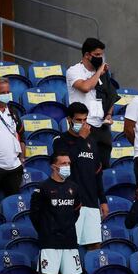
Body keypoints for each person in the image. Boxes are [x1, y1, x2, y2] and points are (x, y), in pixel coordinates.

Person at [52, 102, 108, 252]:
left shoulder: (92, 143)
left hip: (90, 202)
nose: (83, 124)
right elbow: (66, 163)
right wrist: (81, 140)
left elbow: (98, 173)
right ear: (69, 119)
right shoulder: (60, 141)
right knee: (69, 246)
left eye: (85, 120)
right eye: (78, 120)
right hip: (70, 201)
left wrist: (102, 200)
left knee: (95, 245)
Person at [30, 151, 82, 274]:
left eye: (69, 163)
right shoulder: (42, 188)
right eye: (63, 163)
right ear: (53, 166)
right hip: (50, 242)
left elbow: (76, 212)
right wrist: (46, 230)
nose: (67, 166)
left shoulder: (74, 188)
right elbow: (34, 215)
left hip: (69, 240)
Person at [66, 37, 118, 169]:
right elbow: (85, 87)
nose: (100, 58)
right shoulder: (74, 71)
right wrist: (100, 71)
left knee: (103, 166)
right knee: (85, 165)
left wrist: (109, 114)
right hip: (84, 124)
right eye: (97, 55)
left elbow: (111, 94)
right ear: (87, 55)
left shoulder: (103, 74)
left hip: (102, 125)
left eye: (101, 55)